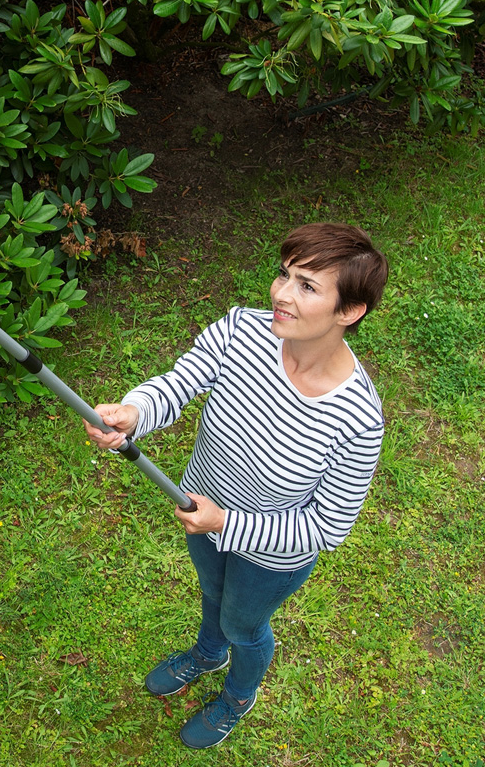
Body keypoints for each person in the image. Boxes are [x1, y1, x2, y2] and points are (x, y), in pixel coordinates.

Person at [84, 223, 389, 749]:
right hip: (196, 509)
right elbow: (180, 382)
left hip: (270, 556)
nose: (280, 294)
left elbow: (326, 527)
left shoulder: (358, 417)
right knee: (211, 592)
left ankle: (238, 694)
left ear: (350, 312)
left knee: (244, 625)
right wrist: (135, 411)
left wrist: (226, 522)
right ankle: (207, 652)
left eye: (307, 287)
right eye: (284, 275)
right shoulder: (241, 331)